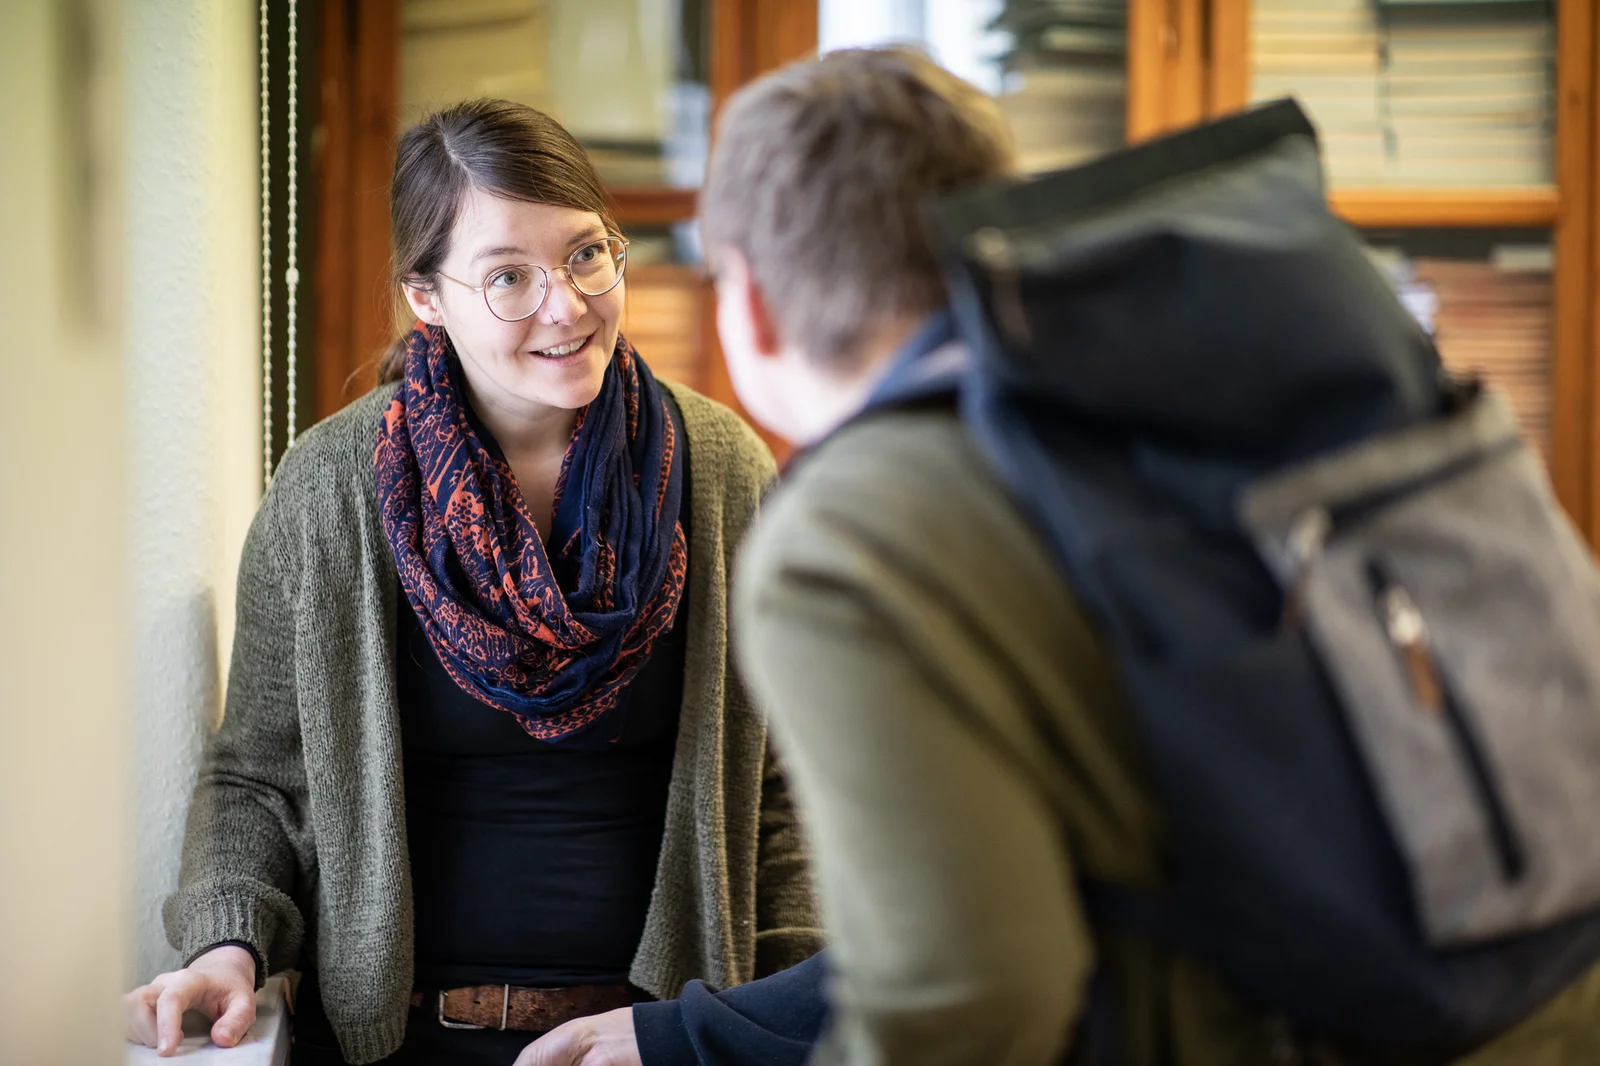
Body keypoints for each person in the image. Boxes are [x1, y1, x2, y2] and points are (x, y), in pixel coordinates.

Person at [517, 47, 1600, 1066]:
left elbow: (966, 1002)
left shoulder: (848, 535)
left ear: (745, 299)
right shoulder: (1188, 391)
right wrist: (693, 1036)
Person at [123, 98, 820, 1065]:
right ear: (427, 298)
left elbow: (784, 786)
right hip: (409, 1042)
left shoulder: (722, 468)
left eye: (586, 254)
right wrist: (229, 941)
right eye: (508, 277)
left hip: (655, 1036)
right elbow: (260, 778)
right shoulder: (331, 489)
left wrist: (782, 1016)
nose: (567, 306)